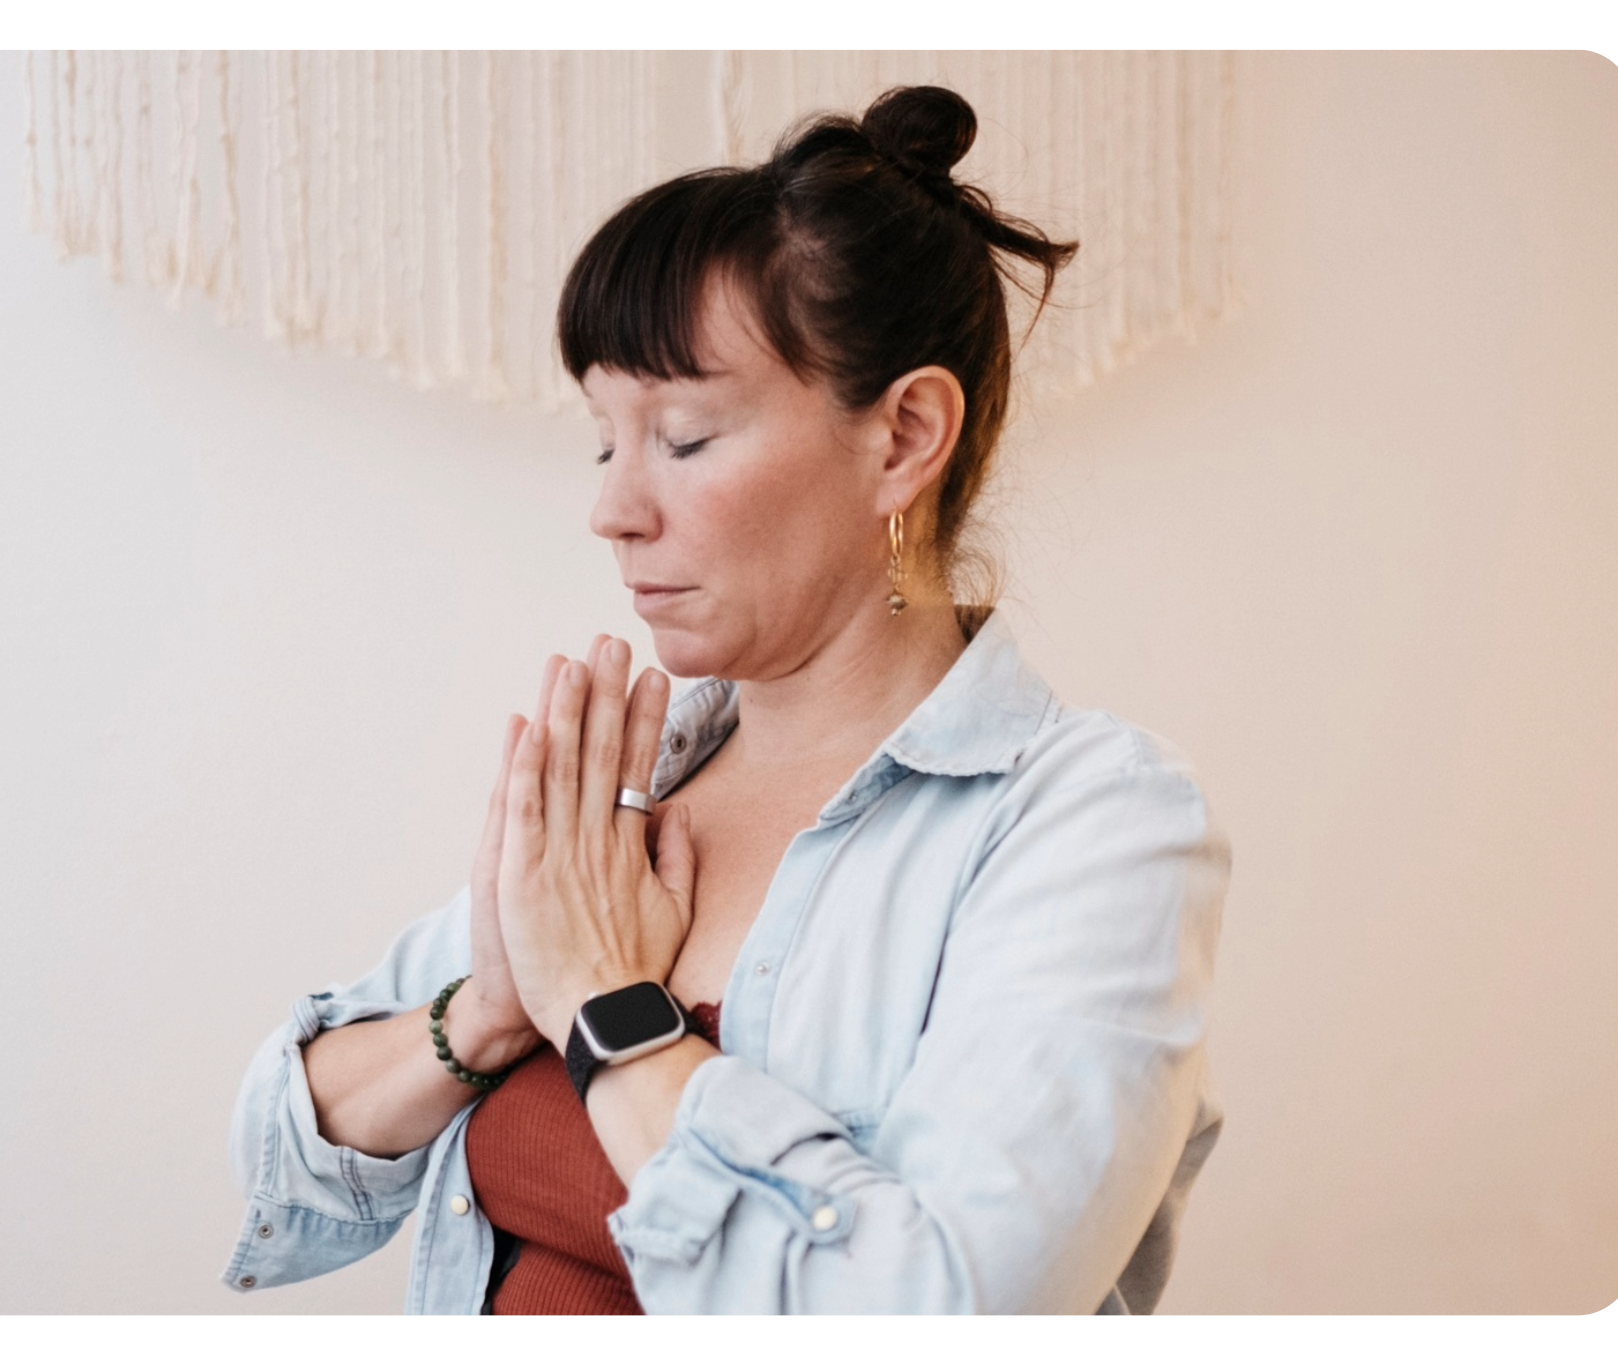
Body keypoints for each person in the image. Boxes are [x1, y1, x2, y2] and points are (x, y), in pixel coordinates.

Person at [224, 85, 1230, 1315]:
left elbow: (939, 1298)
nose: (612, 507)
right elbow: (279, 1161)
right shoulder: (635, 789)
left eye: (684, 437)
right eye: (604, 439)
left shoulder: (1092, 827)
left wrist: (604, 1011)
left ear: (905, 435)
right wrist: (487, 1011)